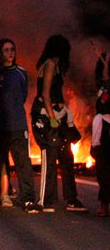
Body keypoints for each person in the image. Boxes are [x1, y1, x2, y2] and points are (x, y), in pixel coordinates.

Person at [0, 39, 40, 213]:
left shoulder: (21, 72)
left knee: (23, 163)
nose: (10, 53)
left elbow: (22, 96)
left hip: (17, 125)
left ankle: (28, 199)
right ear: (0, 53)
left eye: (12, 50)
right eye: (6, 50)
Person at [31, 35, 86, 212]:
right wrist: (52, 118)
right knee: (51, 156)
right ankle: (45, 200)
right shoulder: (50, 65)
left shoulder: (52, 66)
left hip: (57, 116)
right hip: (48, 117)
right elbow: (45, 94)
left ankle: (72, 199)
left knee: (66, 156)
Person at [91, 44, 110, 217]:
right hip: (104, 130)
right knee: (103, 169)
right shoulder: (103, 86)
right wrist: (101, 56)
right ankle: (104, 204)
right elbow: (98, 76)